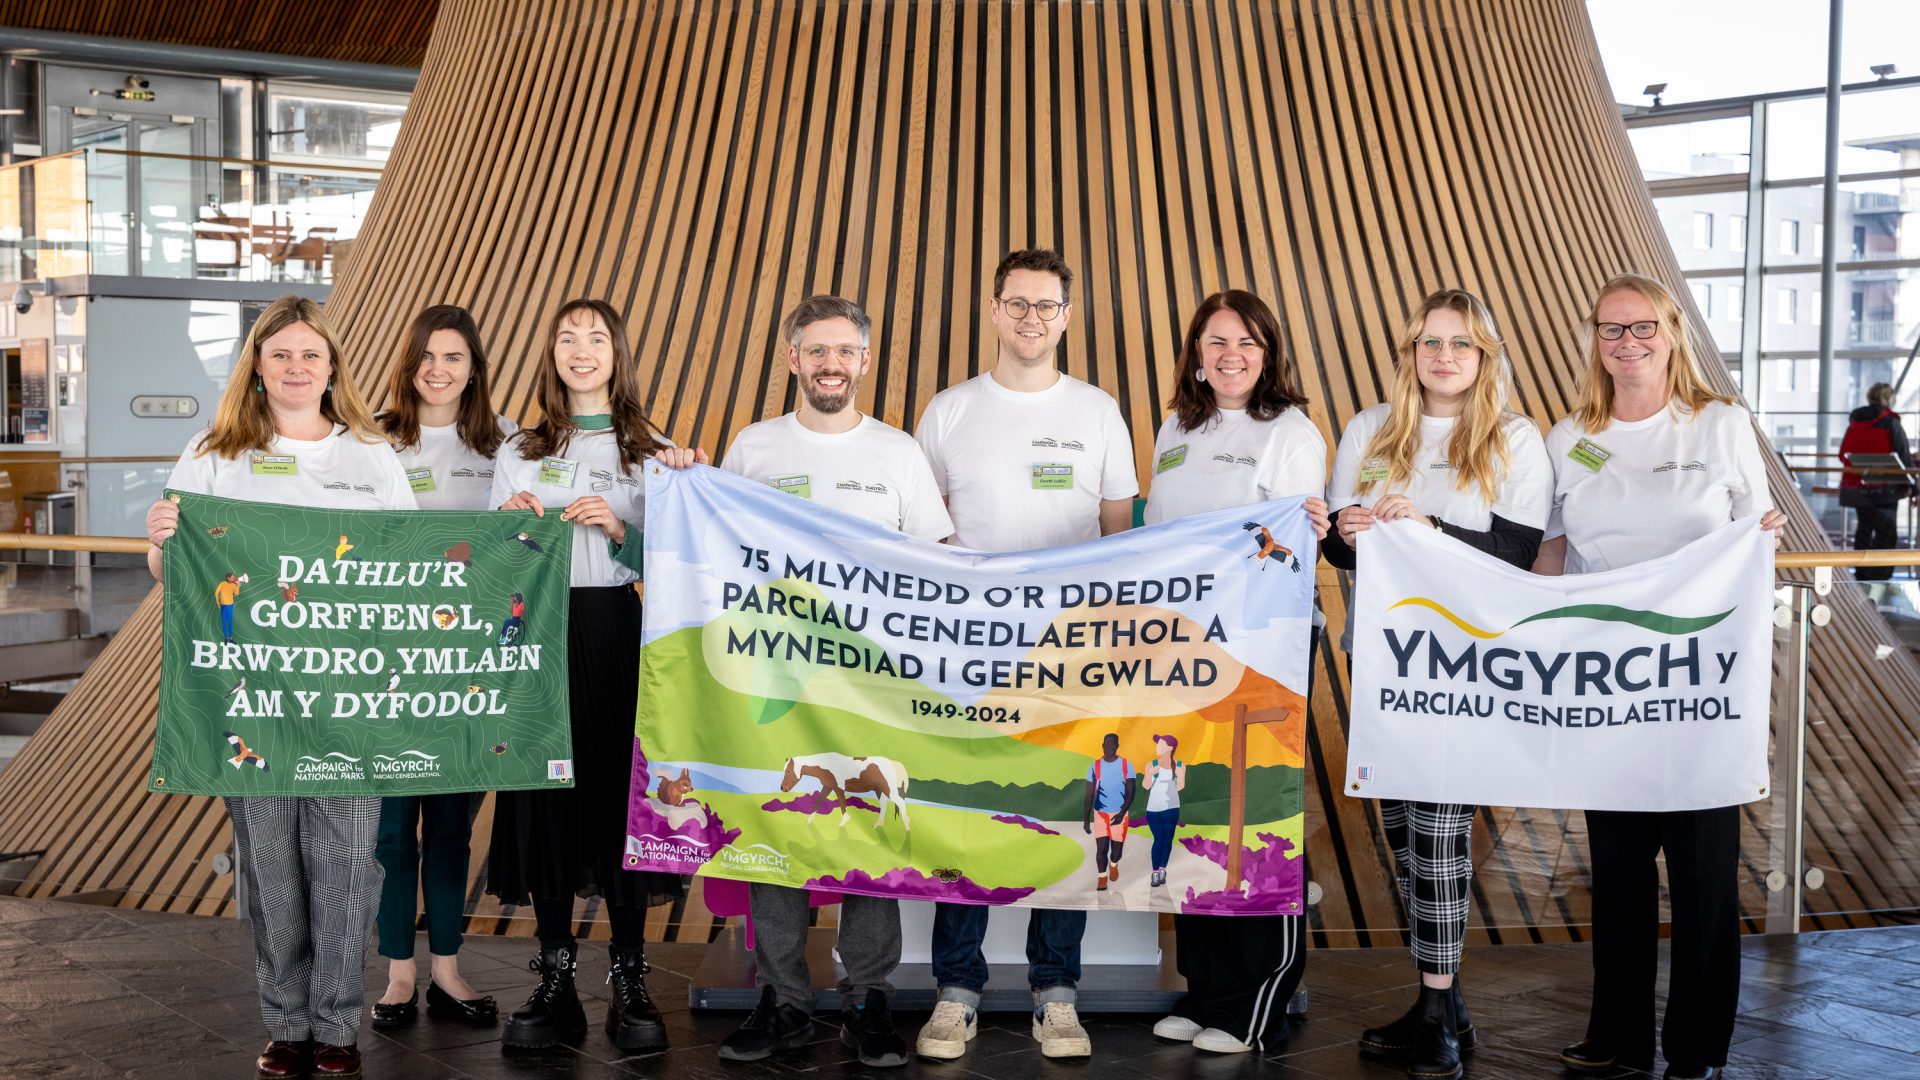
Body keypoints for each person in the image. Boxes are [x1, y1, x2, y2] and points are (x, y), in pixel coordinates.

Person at [657, 294, 952, 1069]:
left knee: (873, 843)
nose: (830, 365)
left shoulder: (898, 453)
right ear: (793, 360)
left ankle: (869, 1002)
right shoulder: (753, 449)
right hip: (775, 685)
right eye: (815, 351)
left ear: (862, 360)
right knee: (774, 832)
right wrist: (685, 477)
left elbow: (937, 567)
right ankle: (782, 1000)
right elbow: (716, 551)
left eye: (844, 351)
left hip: (873, 688)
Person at [144, 294, 416, 1080]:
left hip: (347, 699)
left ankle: (335, 1024)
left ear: (333, 368)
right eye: (281, 354)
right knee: (269, 866)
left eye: (311, 354)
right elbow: (172, 576)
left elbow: (406, 570)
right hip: (248, 699)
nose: (297, 367)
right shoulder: (214, 452)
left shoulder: (370, 455)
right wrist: (160, 542)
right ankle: (285, 1021)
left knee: (346, 865)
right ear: (257, 368)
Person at [1536, 273, 1785, 1080]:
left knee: (1705, 876)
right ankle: (1618, 1037)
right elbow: (1550, 549)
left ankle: (1698, 1048)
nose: (1628, 342)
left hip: (1699, 684)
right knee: (1615, 874)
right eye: (1612, 329)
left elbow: (1758, 535)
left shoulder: (1719, 424)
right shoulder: (1568, 435)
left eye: (1642, 327)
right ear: (1594, 340)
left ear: (1672, 332)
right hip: (1608, 686)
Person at [911, 247, 1138, 1060]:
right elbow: (921, 536)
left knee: (1068, 823)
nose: (1032, 319)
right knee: (968, 818)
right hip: (969, 657)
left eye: (1048, 306)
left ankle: (1057, 992)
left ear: (1067, 318)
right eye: (1018, 303)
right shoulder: (948, 412)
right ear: (995, 310)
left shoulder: (1098, 411)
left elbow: (1121, 535)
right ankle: (956, 991)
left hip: (1072, 657)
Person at [1324, 288, 1552, 1080]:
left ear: (1484, 355)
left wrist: (1429, 530)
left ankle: (1437, 1013)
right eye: (1429, 343)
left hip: (1468, 662)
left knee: (1441, 830)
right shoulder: (1370, 430)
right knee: (1404, 834)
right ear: (1409, 353)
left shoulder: (1514, 439)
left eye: (1460, 343)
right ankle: (1443, 1001)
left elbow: (1518, 550)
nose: (1443, 356)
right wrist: (1345, 533)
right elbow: (1341, 550)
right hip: (1384, 659)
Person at [486, 299, 681, 1054]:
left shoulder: (653, 448)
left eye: (595, 337)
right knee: (545, 798)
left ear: (618, 352)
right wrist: (508, 522)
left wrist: (621, 532)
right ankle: (556, 973)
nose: (581, 349)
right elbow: (491, 558)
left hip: (620, 631)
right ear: (551, 352)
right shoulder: (521, 446)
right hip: (540, 632)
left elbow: (682, 564)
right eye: (567, 336)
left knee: (622, 797)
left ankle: (629, 976)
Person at [1141, 288, 1329, 1055]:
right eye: (1216, 342)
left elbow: (1288, 544)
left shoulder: (1289, 430)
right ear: (1195, 352)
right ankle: (1206, 986)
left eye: (1247, 343)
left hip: (1263, 649)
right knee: (1196, 811)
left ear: (1269, 352)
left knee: (1260, 812)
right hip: (1183, 652)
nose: (1231, 356)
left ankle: (1257, 1000)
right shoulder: (1176, 429)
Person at [368, 305, 515, 1032]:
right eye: (427, 355)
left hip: (469, 667)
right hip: (388, 663)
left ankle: (450, 970)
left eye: (454, 356)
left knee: (453, 826)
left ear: (474, 368)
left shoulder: (506, 443)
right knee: (393, 832)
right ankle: (398, 974)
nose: (439, 369)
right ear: (409, 361)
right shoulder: (367, 439)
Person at [1838, 381, 1914, 581]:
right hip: (1885, 489)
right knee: (1886, 536)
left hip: (1857, 488)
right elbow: (1904, 457)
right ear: (1889, 399)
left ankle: (1862, 577)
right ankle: (1880, 581)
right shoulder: (1891, 423)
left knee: (1864, 530)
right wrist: (1912, 486)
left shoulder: (1855, 423)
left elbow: (1843, 454)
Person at [1082, 733, 1137, 893]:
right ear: (1102, 746)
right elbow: (1088, 794)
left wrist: (1121, 814)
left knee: (1117, 851)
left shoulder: (1127, 765)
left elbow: (1131, 792)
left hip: (1120, 814)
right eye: (1105, 745)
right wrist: (1086, 819)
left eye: (1111, 745)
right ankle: (1102, 877)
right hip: (1100, 814)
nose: (1108, 748)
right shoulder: (1095, 766)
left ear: (1117, 747)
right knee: (1101, 849)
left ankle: (1114, 864)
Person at [1142, 735, 1184, 890]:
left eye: (1160, 744)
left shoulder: (1179, 766)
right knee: (1159, 838)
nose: (1157, 746)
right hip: (1153, 809)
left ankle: (1162, 870)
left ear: (1170, 748)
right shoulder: (1151, 765)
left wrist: (1177, 777)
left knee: (1168, 839)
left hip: (1172, 808)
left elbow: (1180, 787)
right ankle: (1154, 871)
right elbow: (1146, 786)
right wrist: (1150, 773)